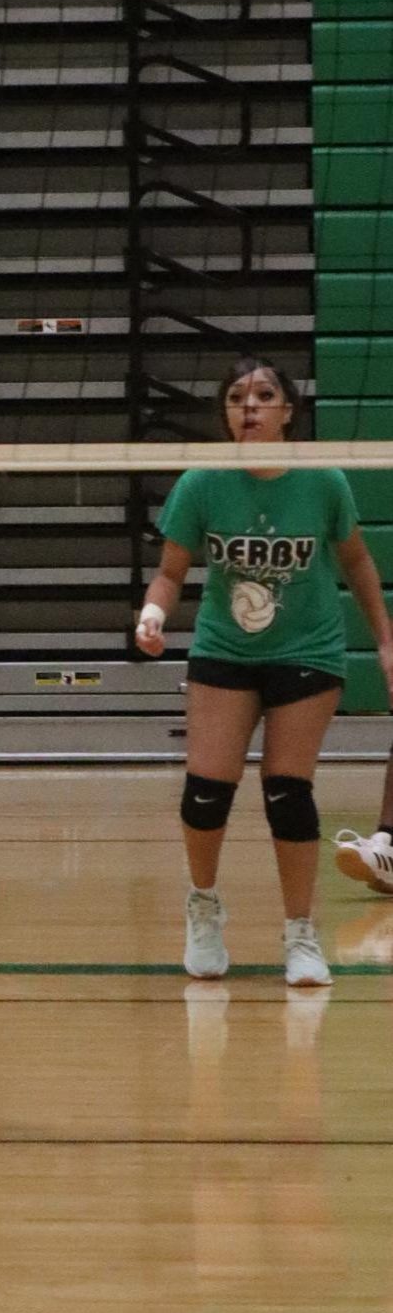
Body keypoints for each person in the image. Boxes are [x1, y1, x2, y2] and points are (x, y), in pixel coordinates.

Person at [134, 356, 393, 987]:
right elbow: (172, 572)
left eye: (263, 394)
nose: (248, 405)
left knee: (288, 792)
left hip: (309, 651)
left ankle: (301, 935)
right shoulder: (202, 483)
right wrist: (152, 613)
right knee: (206, 792)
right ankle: (203, 906)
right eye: (236, 396)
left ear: (287, 412)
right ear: (225, 414)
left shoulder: (325, 480)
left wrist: (385, 642)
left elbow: (357, 563)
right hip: (225, 650)